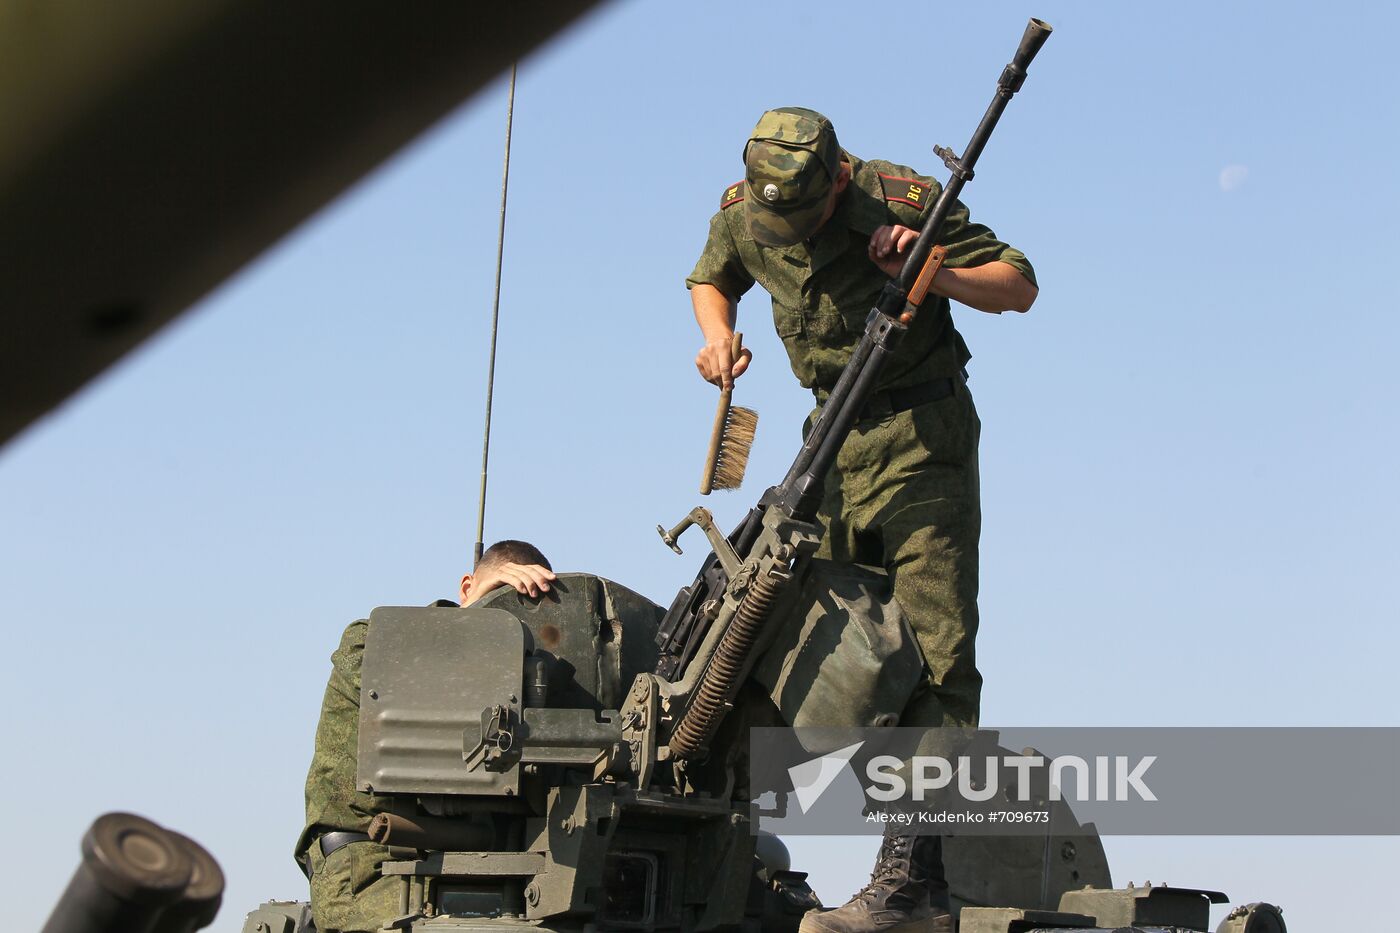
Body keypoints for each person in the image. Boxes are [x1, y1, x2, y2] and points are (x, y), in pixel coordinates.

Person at [686, 107, 1038, 933]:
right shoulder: (748, 212)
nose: (793, 237)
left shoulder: (898, 199)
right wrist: (716, 335)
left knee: (939, 663)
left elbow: (1019, 284)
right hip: (831, 441)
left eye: (806, 220)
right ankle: (725, 849)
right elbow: (712, 275)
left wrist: (934, 270)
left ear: (839, 179)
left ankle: (913, 887)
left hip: (923, 441)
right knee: (784, 630)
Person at [294, 540, 557, 933]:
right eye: (500, 601)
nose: (505, 623)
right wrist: (473, 622)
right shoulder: (374, 643)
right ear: (467, 588)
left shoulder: (532, 684)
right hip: (371, 870)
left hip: (483, 871)